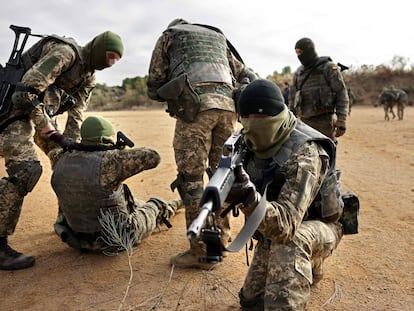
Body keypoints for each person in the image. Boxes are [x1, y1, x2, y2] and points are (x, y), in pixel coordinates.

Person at [0, 30, 123, 270]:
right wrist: (49, 130)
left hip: (36, 115)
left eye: (115, 60)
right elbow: (25, 94)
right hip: (12, 113)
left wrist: (75, 148)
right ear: (98, 49)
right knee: (26, 171)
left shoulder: (89, 76)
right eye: (109, 56)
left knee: (67, 161)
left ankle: (68, 221)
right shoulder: (65, 54)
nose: (110, 64)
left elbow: (76, 116)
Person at [146, 18, 258, 269]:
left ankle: (201, 252)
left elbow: (154, 83)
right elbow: (246, 74)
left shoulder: (170, 35)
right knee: (224, 175)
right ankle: (222, 237)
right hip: (228, 109)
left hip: (195, 111)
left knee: (192, 180)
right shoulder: (218, 38)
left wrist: (167, 92)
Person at [228, 79, 343, 310]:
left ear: (279, 115)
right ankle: (310, 264)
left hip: (317, 223)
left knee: (292, 242)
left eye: (263, 120)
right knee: (251, 301)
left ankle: (314, 259)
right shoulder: (245, 141)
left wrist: (249, 199)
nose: (255, 125)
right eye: (248, 119)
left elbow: (286, 226)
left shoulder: (306, 152)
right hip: (277, 219)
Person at [49, 115, 182, 252]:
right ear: (105, 139)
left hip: (76, 239)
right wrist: (118, 151)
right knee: (155, 204)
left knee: (135, 203)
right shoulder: (111, 161)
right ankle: (174, 204)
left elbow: (54, 147)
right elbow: (153, 157)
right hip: (116, 239)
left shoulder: (58, 158)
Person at [288, 37, 349, 141]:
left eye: (300, 52)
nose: (299, 56)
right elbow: (292, 98)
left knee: (326, 153)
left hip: (325, 122)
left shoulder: (328, 68)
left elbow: (341, 93)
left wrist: (341, 120)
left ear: (308, 51)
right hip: (303, 123)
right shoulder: (299, 73)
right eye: (297, 53)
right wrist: (290, 119)